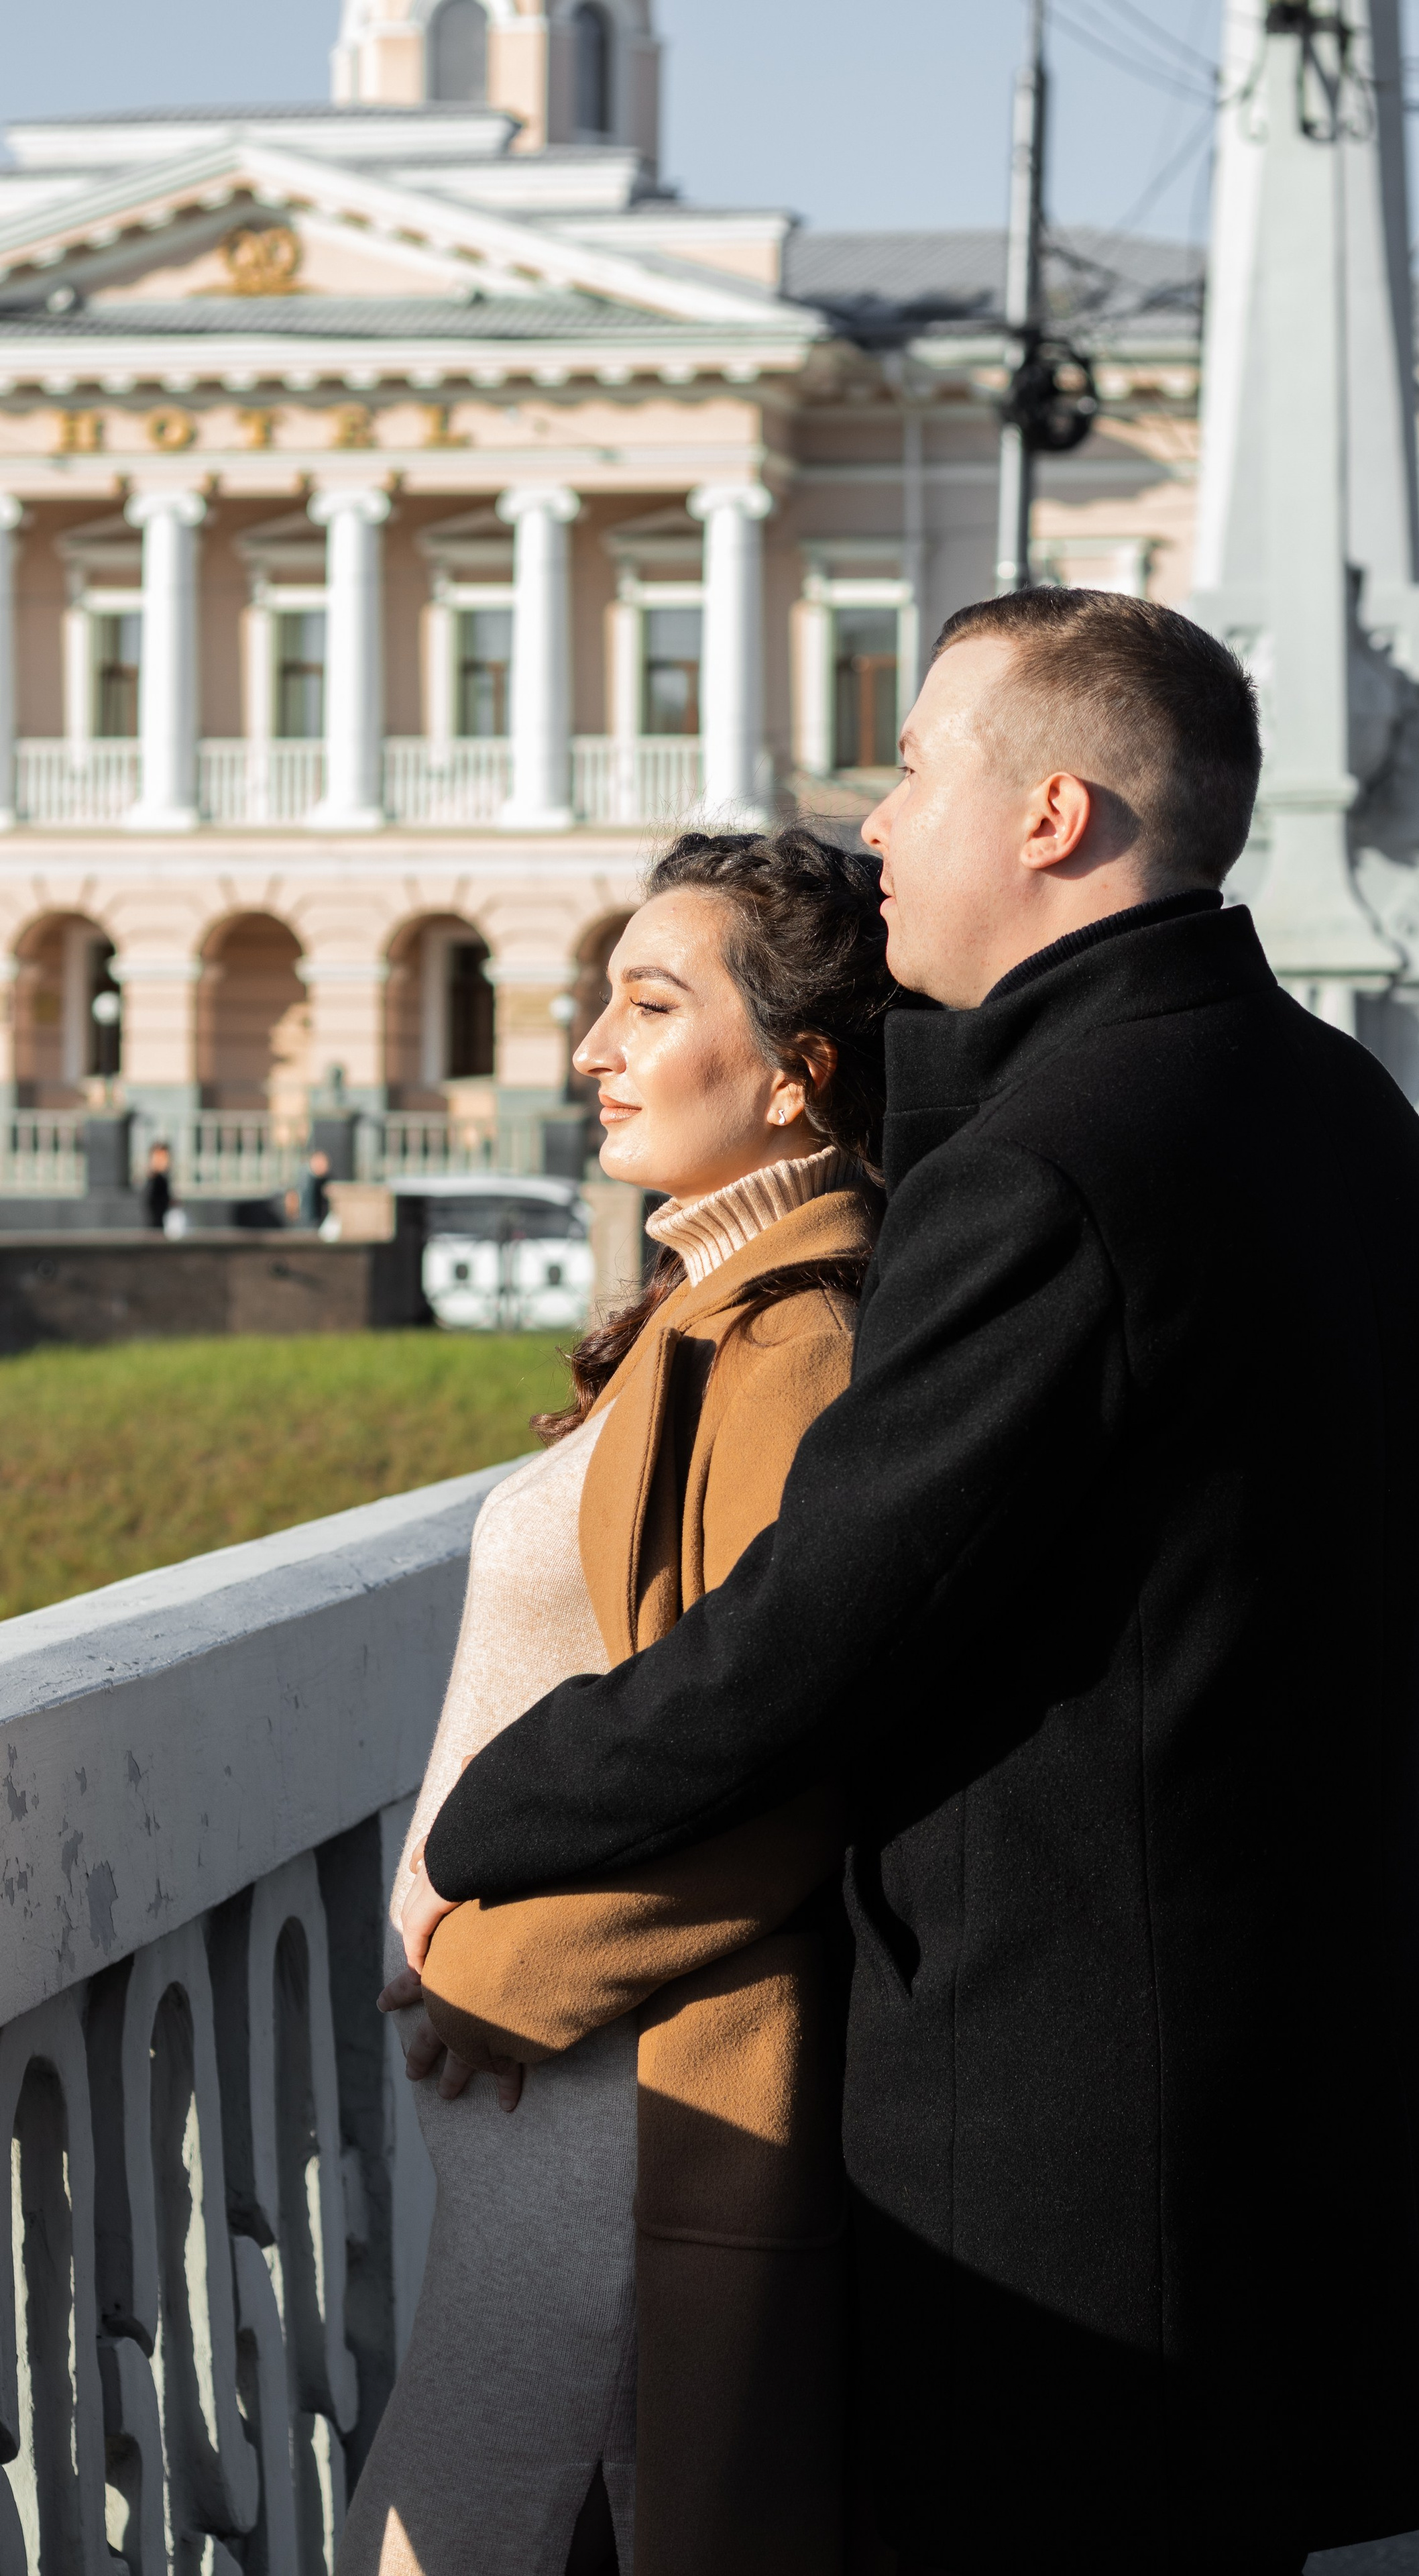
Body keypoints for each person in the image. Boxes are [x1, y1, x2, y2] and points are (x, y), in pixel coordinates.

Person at [414, 590, 1419, 2574]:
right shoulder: (1361, 1128)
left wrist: (491, 1823)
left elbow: (816, 1627)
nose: (881, 821)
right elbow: (1413, 1619)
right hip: (1285, 2083)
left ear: (1051, 813)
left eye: (914, 766)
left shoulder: (1058, 1160)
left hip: (1056, 2145)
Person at [339, 830, 891, 2576]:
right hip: (544, 2093)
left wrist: (500, 1975)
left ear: (797, 1075)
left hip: (602, 2089)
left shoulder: (792, 1346)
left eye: (650, 1005)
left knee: (459, 2543)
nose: (591, 1048)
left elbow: (791, 1760)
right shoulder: (708, 1306)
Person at [140, 1138, 173, 1230]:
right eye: (159, 1157)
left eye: (165, 1157)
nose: (162, 1161)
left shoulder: (161, 1180)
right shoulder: (155, 1181)